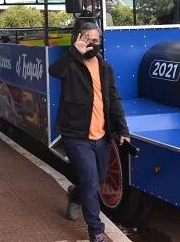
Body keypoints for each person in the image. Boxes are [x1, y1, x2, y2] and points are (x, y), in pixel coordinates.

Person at [48, 22, 130, 242]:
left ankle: (75, 195)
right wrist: (75, 52)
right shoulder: (70, 64)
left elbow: (114, 99)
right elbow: (53, 71)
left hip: (102, 136)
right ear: (78, 39)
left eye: (96, 40)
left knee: (96, 181)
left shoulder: (105, 68)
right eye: (88, 39)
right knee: (92, 183)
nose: (92, 44)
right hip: (76, 136)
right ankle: (96, 231)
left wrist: (123, 128)